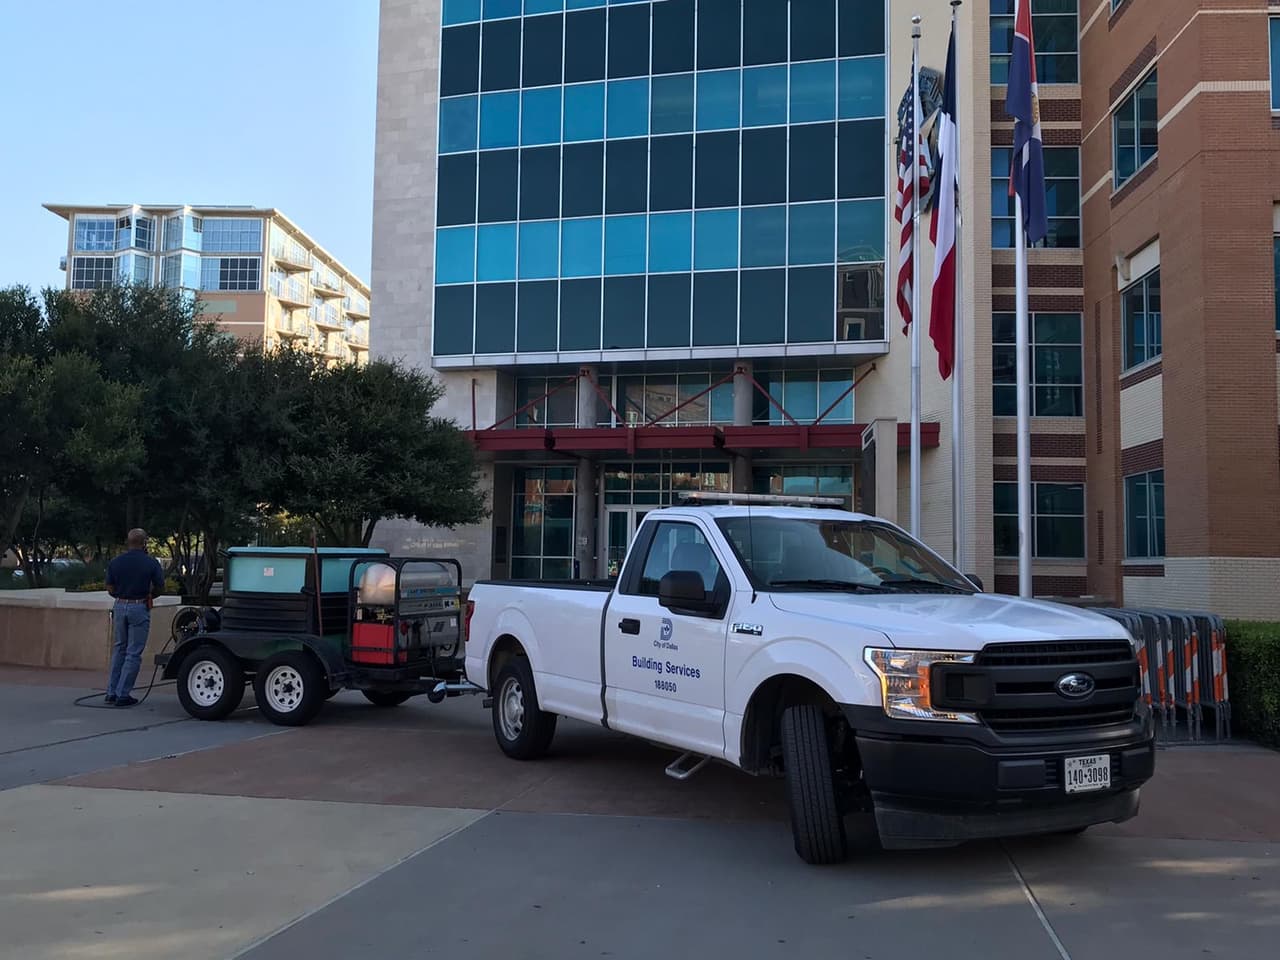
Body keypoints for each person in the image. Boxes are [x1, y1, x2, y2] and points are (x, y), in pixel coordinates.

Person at [104, 529, 165, 707]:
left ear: (128, 542)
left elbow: (109, 587)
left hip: (120, 605)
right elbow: (160, 587)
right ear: (144, 542)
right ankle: (123, 694)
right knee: (133, 652)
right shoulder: (150, 563)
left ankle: (111, 692)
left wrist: (120, 596)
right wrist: (149, 597)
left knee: (119, 649)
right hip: (139, 606)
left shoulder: (116, 562)